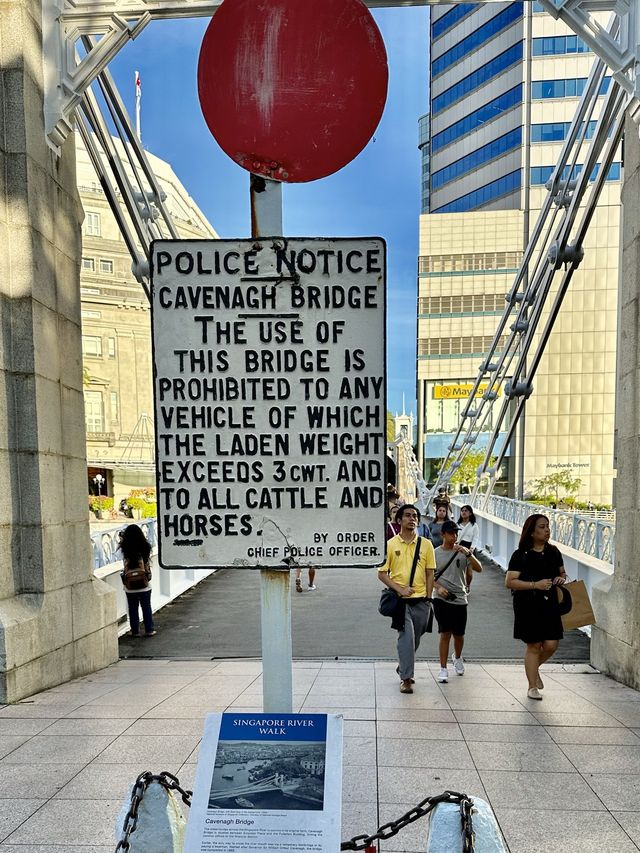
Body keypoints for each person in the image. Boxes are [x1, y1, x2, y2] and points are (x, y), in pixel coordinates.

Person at [505, 514, 567, 700]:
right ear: (532, 532)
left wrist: (561, 578)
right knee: (534, 645)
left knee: (551, 644)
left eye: (548, 526)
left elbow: (563, 573)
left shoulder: (554, 552)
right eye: (542, 527)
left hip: (551, 604)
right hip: (528, 605)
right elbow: (510, 582)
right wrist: (535, 584)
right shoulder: (520, 555)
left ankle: (534, 668)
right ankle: (532, 686)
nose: (547, 530)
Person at [378, 504, 436, 694]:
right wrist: (400, 589)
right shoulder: (390, 544)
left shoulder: (426, 545)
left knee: (415, 640)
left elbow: (430, 573)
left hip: (422, 601)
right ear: (399, 520)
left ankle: (403, 666)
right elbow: (382, 574)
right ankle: (406, 678)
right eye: (408, 516)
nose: (412, 519)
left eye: (415, 516)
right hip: (401, 602)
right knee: (406, 639)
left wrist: (429, 597)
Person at [433, 521, 482, 682]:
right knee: (445, 633)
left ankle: (457, 657)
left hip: (460, 598)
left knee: (459, 635)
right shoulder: (435, 553)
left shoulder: (462, 552)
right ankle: (442, 668)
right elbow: (427, 576)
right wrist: (438, 588)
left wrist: (468, 553)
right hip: (441, 598)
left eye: (456, 533)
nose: (454, 536)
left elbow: (478, 568)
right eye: (451, 533)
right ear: (443, 535)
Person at [118, 524, 156, 637]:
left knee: (133, 608)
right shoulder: (145, 547)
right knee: (146, 606)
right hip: (144, 583)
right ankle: (149, 630)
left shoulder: (124, 549)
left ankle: (135, 631)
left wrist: (122, 539)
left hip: (130, 586)